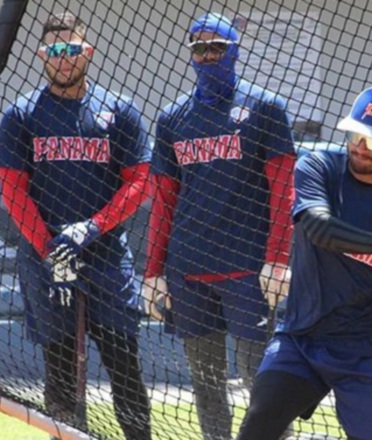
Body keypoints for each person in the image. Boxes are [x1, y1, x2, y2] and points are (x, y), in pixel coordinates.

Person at [236, 86, 372, 440]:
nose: (361, 147)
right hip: (303, 337)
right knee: (257, 428)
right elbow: (318, 227)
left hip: (368, 353)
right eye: (355, 135)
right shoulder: (320, 168)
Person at [0, 12, 152, 440]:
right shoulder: (22, 115)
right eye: (55, 51)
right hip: (45, 258)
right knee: (60, 366)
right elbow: (12, 190)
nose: (64, 59)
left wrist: (91, 229)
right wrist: (49, 248)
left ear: (88, 52)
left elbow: (139, 182)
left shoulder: (118, 111)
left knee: (124, 363)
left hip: (105, 256)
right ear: (43, 55)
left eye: (73, 49)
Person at [143, 12, 296, 440]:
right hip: (188, 269)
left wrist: (278, 260)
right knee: (206, 389)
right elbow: (164, 202)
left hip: (248, 270)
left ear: (235, 51)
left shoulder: (266, 109)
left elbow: (285, 190)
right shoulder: (172, 119)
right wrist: (153, 272)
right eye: (199, 48)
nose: (208, 55)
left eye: (217, 48)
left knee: (262, 386)